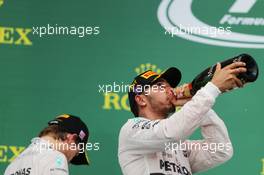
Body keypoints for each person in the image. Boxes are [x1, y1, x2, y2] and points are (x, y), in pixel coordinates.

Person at [118, 62, 247, 175]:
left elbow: (221, 149)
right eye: (160, 86)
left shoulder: (180, 146)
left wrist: (193, 101)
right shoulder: (132, 130)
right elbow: (170, 133)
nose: (170, 90)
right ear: (141, 100)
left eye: (169, 86)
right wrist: (212, 88)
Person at [4, 114, 90, 175]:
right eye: (77, 152)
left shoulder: (12, 165)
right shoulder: (57, 158)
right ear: (72, 139)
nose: (70, 161)